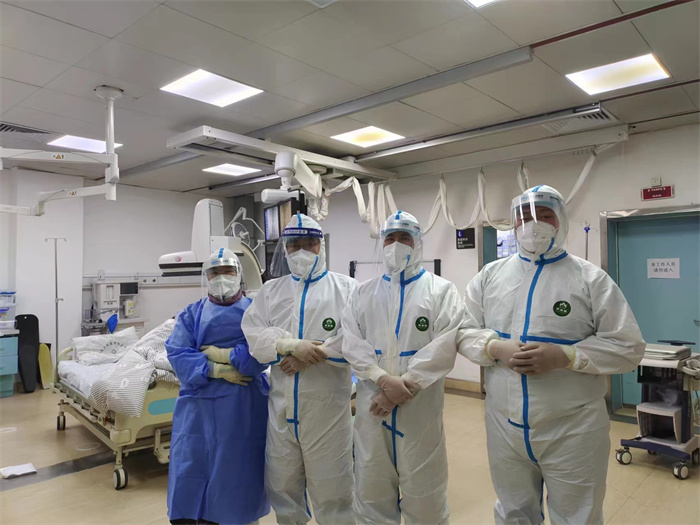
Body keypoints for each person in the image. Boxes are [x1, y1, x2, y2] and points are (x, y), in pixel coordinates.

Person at [458, 185, 645, 525]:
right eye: (524, 218)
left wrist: (566, 356)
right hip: (503, 425)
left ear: (560, 221)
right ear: (514, 224)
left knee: (576, 516)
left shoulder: (590, 279)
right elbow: (462, 329)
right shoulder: (490, 276)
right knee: (513, 512)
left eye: (544, 216)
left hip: (573, 429)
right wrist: (494, 347)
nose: (533, 224)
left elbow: (628, 346)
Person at [340, 210, 464, 525]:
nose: (396, 244)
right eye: (390, 238)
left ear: (417, 243)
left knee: (425, 497)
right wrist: (382, 378)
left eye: (404, 238)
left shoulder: (441, 291)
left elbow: (444, 346)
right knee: (372, 493)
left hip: (419, 410)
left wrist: (403, 386)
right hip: (372, 410)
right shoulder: (362, 293)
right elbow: (351, 342)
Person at [241, 213, 356, 525]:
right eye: (294, 245)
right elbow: (254, 336)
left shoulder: (347, 289)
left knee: (334, 489)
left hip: (327, 410)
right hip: (281, 410)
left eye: (309, 244)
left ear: (321, 247)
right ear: (286, 249)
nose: (301, 251)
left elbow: (356, 339)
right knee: (282, 485)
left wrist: (310, 354)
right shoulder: (271, 291)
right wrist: (288, 345)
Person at [166, 248, 270, 525]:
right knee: (192, 462)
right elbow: (178, 353)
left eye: (228, 271)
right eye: (214, 272)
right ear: (206, 277)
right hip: (198, 404)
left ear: (238, 275)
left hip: (244, 404)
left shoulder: (255, 312)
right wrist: (216, 369)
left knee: (238, 468)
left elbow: (260, 354)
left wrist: (221, 354)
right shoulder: (191, 314)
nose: (221, 278)